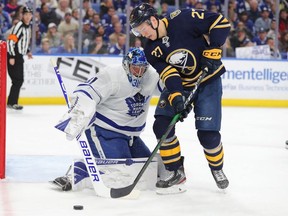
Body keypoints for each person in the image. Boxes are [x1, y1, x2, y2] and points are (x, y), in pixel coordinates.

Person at [129, 3, 231, 194]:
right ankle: (175, 171)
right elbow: (169, 74)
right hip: (181, 85)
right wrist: (177, 98)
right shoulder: (151, 49)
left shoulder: (183, 18)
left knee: (208, 136)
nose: (142, 34)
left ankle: (217, 169)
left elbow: (220, 22)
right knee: (161, 125)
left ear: (153, 20)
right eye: (138, 32)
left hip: (207, 80)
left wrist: (215, 48)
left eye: (142, 29)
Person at [51, 47, 163, 191]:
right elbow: (86, 92)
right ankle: (78, 172)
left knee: (149, 170)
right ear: (126, 65)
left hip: (131, 137)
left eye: (143, 69)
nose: (139, 73)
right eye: (136, 68)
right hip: (104, 132)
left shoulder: (150, 76)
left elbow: (166, 86)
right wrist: (78, 114)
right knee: (120, 174)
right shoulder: (112, 75)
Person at [6, 6, 33, 110]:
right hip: (14, 55)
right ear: (22, 15)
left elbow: (22, 42)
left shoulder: (28, 27)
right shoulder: (19, 26)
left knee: (18, 80)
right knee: (18, 80)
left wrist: (28, 51)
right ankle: (12, 102)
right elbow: (10, 41)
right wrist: (12, 56)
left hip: (19, 55)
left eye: (29, 15)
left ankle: (12, 102)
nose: (27, 17)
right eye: (26, 15)